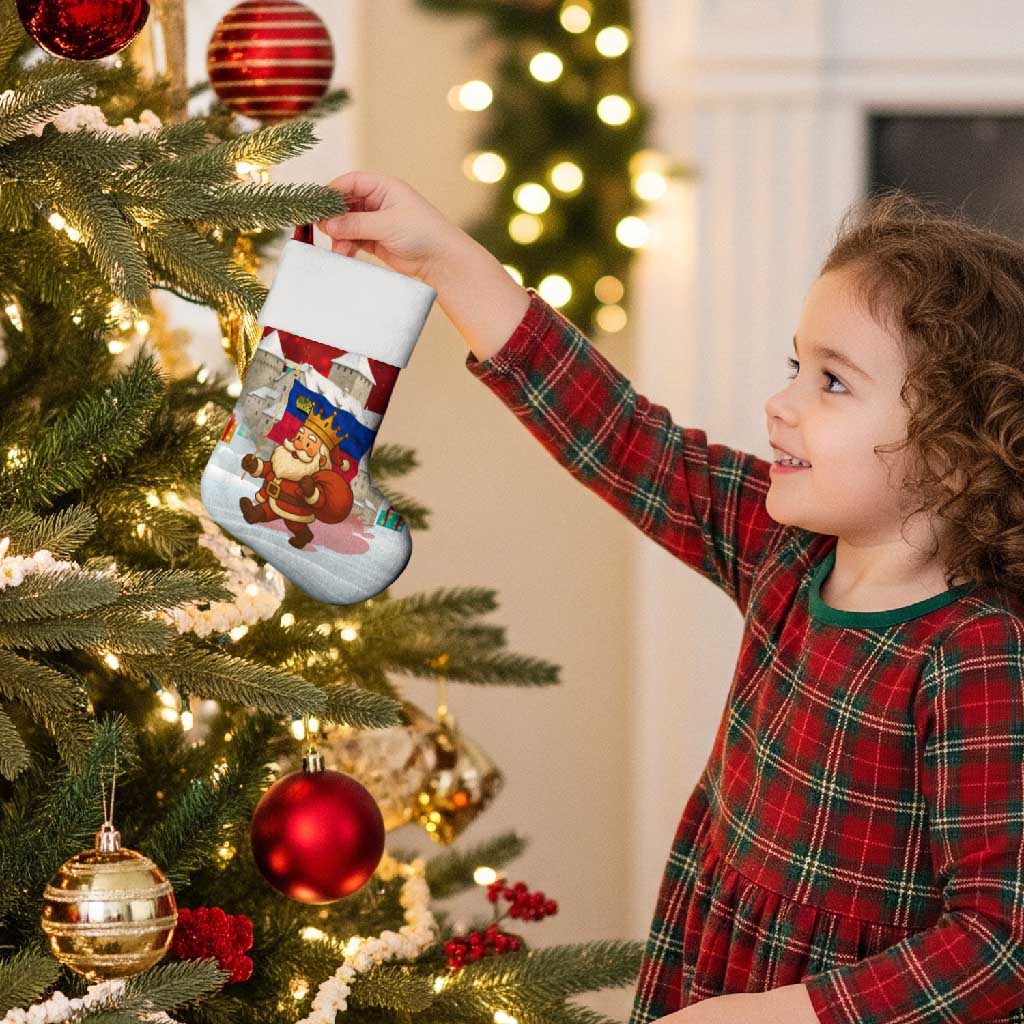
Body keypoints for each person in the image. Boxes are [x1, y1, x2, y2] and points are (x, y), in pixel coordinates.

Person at [317, 173, 1024, 1024]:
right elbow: (621, 435)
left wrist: (779, 1016)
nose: (782, 403)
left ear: (956, 455)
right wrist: (451, 261)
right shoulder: (786, 552)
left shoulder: (978, 652)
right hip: (714, 965)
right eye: (796, 367)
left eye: (832, 383)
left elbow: (998, 941)